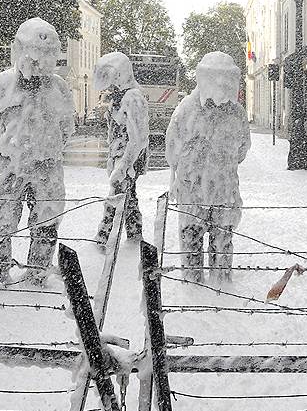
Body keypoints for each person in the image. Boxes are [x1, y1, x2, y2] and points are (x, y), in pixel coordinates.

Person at [0, 18, 75, 286]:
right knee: (0, 224)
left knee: (46, 223)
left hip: (48, 169)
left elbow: (67, 128)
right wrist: (13, 150)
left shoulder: (60, 88)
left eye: (46, 57)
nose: (38, 64)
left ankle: (37, 275)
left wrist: (46, 149)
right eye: (34, 56)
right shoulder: (0, 84)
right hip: (11, 167)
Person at [165, 52, 251, 283]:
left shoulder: (231, 113)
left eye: (227, 80)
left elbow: (173, 150)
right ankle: (197, 287)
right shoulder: (188, 110)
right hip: (199, 190)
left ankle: (217, 285)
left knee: (218, 238)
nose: (222, 85)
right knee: (197, 237)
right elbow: (172, 151)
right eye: (218, 79)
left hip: (218, 190)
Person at [93, 52, 149, 245]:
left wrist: (123, 165)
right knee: (129, 197)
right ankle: (134, 236)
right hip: (121, 157)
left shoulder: (132, 97)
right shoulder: (120, 96)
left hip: (127, 160)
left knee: (116, 198)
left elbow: (139, 138)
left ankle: (103, 239)